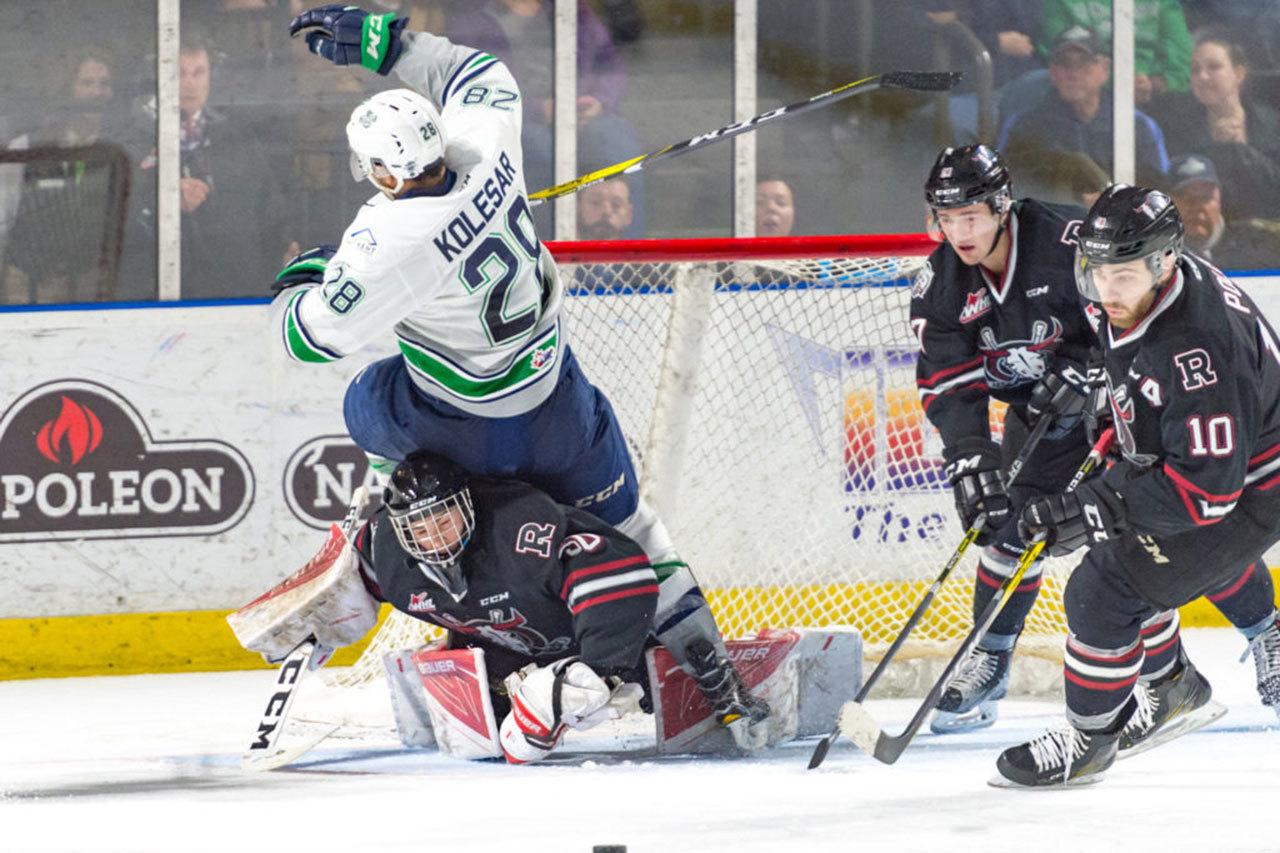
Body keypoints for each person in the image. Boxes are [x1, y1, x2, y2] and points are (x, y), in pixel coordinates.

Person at [273, 4, 769, 745]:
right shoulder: (490, 141)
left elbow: (309, 338)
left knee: (367, 396)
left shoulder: (387, 237)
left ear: (381, 171)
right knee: (635, 530)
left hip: (459, 430)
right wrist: (392, 46)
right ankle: (719, 676)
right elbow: (478, 71)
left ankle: (371, 533)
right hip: (559, 407)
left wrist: (304, 279)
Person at [996, 184, 1280, 787]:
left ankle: (1090, 740)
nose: (1106, 290)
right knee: (1147, 558)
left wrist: (1098, 506)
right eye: (1097, 272)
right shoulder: (1137, 284)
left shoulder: (1197, 348)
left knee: (1104, 591)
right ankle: (1175, 687)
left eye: (1122, 276)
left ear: (1164, 261)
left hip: (1254, 488)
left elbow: (1208, 494)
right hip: (1199, 458)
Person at [912, 144, 1098, 733]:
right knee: (1010, 527)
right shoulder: (940, 283)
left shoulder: (1068, 242)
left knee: (1157, 527)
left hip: (1125, 410)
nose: (959, 231)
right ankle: (989, 662)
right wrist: (970, 456)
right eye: (946, 218)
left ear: (1000, 206)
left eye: (970, 215)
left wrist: (1092, 370)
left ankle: (1263, 631)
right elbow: (947, 381)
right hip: (1042, 418)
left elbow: (1135, 314)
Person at [354, 451, 664, 764]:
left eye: (444, 521)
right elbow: (343, 585)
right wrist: (314, 630)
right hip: (503, 651)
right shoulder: (387, 555)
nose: (435, 539)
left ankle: (655, 662)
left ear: (467, 505)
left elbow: (619, 572)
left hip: (583, 642)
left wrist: (598, 668)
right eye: (420, 531)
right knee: (486, 748)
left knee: (652, 677)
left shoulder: (518, 526)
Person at [443, 0, 644, 237]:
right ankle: (543, 248)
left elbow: (610, 64)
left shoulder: (573, 10)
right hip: (520, 120)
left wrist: (599, 101)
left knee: (618, 142)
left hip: (581, 114)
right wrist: (538, 109)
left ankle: (632, 261)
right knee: (542, 150)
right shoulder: (474, 19)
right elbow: (472, 87)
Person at [131, 33, 284, 298]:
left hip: (238, 286)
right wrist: (164, 194)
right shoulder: (133, 133)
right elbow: (117, 205)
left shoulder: (235, 134)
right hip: (161, 288)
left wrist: (284, 243)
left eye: (199, 72)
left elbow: (269, 200)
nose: (190, 84)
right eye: (179, 73)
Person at [1000, 26, 1170, 188]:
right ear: (1052, 70)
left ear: (1105, 69)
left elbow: (1157, 192)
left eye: (1083, 63)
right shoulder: (1025, 125)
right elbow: (1013, 190)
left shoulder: (1137, 126)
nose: (1073, 73)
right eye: (1064, 63)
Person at [1154, 31, 1280, 221]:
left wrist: (1240, 150)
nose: (1203, 76)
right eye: (1195, 70)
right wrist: (1218, 149)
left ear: (1239, 73)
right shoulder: (1178, 129)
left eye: (1214, 67)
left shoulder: (1273, 123)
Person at [1037, 0, 1193, 104]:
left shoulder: (1163, 3)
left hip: (1156, 98)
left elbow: (1182, 59)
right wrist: (1120, 84)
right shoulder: (1062, 3)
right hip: (1089, 95)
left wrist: (1153, 84)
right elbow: (1058, 56)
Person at [1167, 153, 1280, 270]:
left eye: (1205, 197)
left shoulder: (1256, 248)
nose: (1196, 206)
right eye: (1186, 197)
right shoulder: (1157, 258)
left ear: (1219, 199)